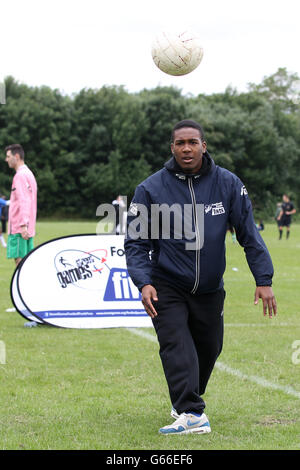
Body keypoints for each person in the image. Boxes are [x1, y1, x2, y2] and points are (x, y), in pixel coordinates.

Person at [124, 120, 276, 436]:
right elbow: (136, 243)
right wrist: (144, 281)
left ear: (203, 145)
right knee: (176, 343)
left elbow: (249, 234)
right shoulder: (150, 189)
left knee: (209, 349)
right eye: (180, 143)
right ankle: (193, 413)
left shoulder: (228, 184)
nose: (187, 148)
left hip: (209, 288)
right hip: (167, 284)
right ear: (172, 148)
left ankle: (186, 400)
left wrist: (263, 279)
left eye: (193, 142)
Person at [5, 144, 37, 265]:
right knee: (27, 263)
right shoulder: (29, 174)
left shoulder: (20, 176)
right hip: (27, 227)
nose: (6, 159)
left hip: (20, 228)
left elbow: (24, 200)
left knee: (20, 264)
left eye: (8, 156)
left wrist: (23, 225)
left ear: (16, 156)